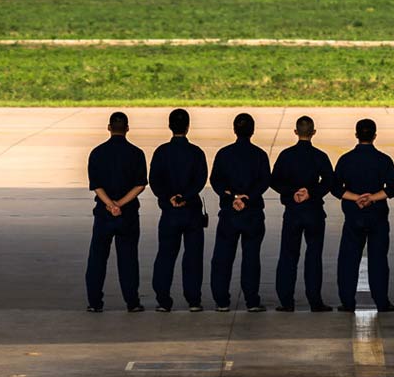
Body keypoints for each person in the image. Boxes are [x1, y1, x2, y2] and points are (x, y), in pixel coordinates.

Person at [332, 119, 394, 312]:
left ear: (356, 135)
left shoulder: (346, 159)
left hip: (354, 215)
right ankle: (381, 301)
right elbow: (392, 189)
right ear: (375, 136)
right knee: (378, 259)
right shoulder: (383, 160)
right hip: (377, 215)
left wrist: (356, 198)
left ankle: (347, 301)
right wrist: (372, 198)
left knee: (348, 260)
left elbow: (336, 188)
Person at [85, 111, 147, 313]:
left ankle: (94, 302)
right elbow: (140, 185)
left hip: (103, 214)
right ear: (127, 128)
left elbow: (96, 185)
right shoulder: (137, 154)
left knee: (97, 258)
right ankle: (132, 302)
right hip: (127, 214)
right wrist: (120, 204)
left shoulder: (97, 153)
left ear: (109, 128)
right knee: (128, 259)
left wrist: (110, 205)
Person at [271, 116, 334, 312]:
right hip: (313, 211)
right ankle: (315, 300)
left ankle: (286, 301)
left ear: (296, 132)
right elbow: (330, 181)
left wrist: (292, 193)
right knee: (313, 256)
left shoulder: (286, 155)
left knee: (288, 256)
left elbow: (274, 181)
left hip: (293, 211)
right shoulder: (320, 156)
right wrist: (311, 193)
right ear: (313, 132)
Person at [210, 113, 270, 312]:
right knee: (251, 257)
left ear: (234, 130)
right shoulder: (260, 155)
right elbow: (264, 182)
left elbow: (215, 180)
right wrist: (247, 198)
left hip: (230, 212)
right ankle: (252, 300)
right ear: (252, 131)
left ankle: (221, 300)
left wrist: (232, 197)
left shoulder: (224, 154)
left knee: (223, 257)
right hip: (252, 213)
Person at [149, 109, 208, 312]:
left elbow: (154, 180)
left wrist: (169, 198)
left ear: (169, 126)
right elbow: (200, 180)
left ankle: (163, 299)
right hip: (191, 212)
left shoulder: (161, 152)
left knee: (165, 255)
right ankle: (193, 299)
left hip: (169, 213)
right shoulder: (196, 153)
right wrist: (186, 197)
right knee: (192, 257)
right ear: (188, 126)